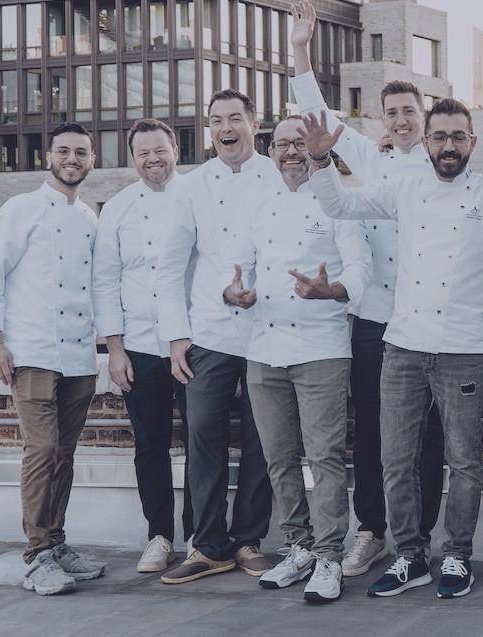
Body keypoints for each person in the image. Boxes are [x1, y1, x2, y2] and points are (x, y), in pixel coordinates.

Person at [302, 99, 483, 600]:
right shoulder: (404, 184)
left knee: (465, 460)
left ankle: (457, 555)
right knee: (396, 459)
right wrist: (322, 162)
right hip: (404, 344)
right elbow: (341, 205)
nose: (448, 146)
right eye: (440, 137)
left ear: (471, 143)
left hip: (465, 347)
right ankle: (411, 556)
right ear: (427, 142)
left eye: (458, 137)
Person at [287, 0, 439, 578]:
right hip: (377, 320)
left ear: (423, 116)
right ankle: (372, 530)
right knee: (374, 432)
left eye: (409, 111)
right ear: (380, 119)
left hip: (433, 320)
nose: (401, 120)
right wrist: (301, 50)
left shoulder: (449, 165)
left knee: (429, 438)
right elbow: (316, 116)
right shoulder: (367, 161)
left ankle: (419, 537)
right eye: (392, 113)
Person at [237, 115, 372, 604]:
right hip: (264, 348)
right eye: (281, 144)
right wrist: (237, 294)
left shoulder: (337, 200)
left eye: (299, 143)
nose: (290, 151)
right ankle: (297, 547)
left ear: (315, 148)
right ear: (269, 151)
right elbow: (241, 271)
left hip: (321, 348)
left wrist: (331, 289)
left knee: (326, 458)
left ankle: (330, 556)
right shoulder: (259, 205)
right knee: (278, 458)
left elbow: (360, 269)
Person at [0, 121, 107, 595]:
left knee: (65, 453)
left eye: (82, 153)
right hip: (29, 351)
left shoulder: (90, 218)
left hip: (78, 354)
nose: (73, 160)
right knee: (43, 449)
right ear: (48, 157)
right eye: (65, 152)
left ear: (93, 160)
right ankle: (36, 555)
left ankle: (57, 542)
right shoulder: (19, 209)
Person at [155, 89, 277, 585]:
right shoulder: (193, 186)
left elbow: (297, 248)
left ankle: (249, 540)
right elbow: (169, 268)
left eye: (235, 118)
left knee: (264, 440)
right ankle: (207, 545)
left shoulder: (280, 176)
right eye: (216, 120)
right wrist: (176, 337)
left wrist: (258, 292)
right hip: (206, 332)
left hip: (270, 329)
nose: (225, 128)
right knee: (202, 435)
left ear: (254, 122)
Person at [93, 118, 194, 575]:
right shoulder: (116, 208)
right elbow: (105, 280)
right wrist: (115, 349)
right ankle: (159, 535)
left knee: (201, 442)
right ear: (132, 158)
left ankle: (200, 535)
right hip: (137, 345)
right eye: (143, 153)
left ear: (175, 149)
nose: (153, 159)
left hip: (193, 344)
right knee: (150, 444)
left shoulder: (198, 196)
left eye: (161, 149)